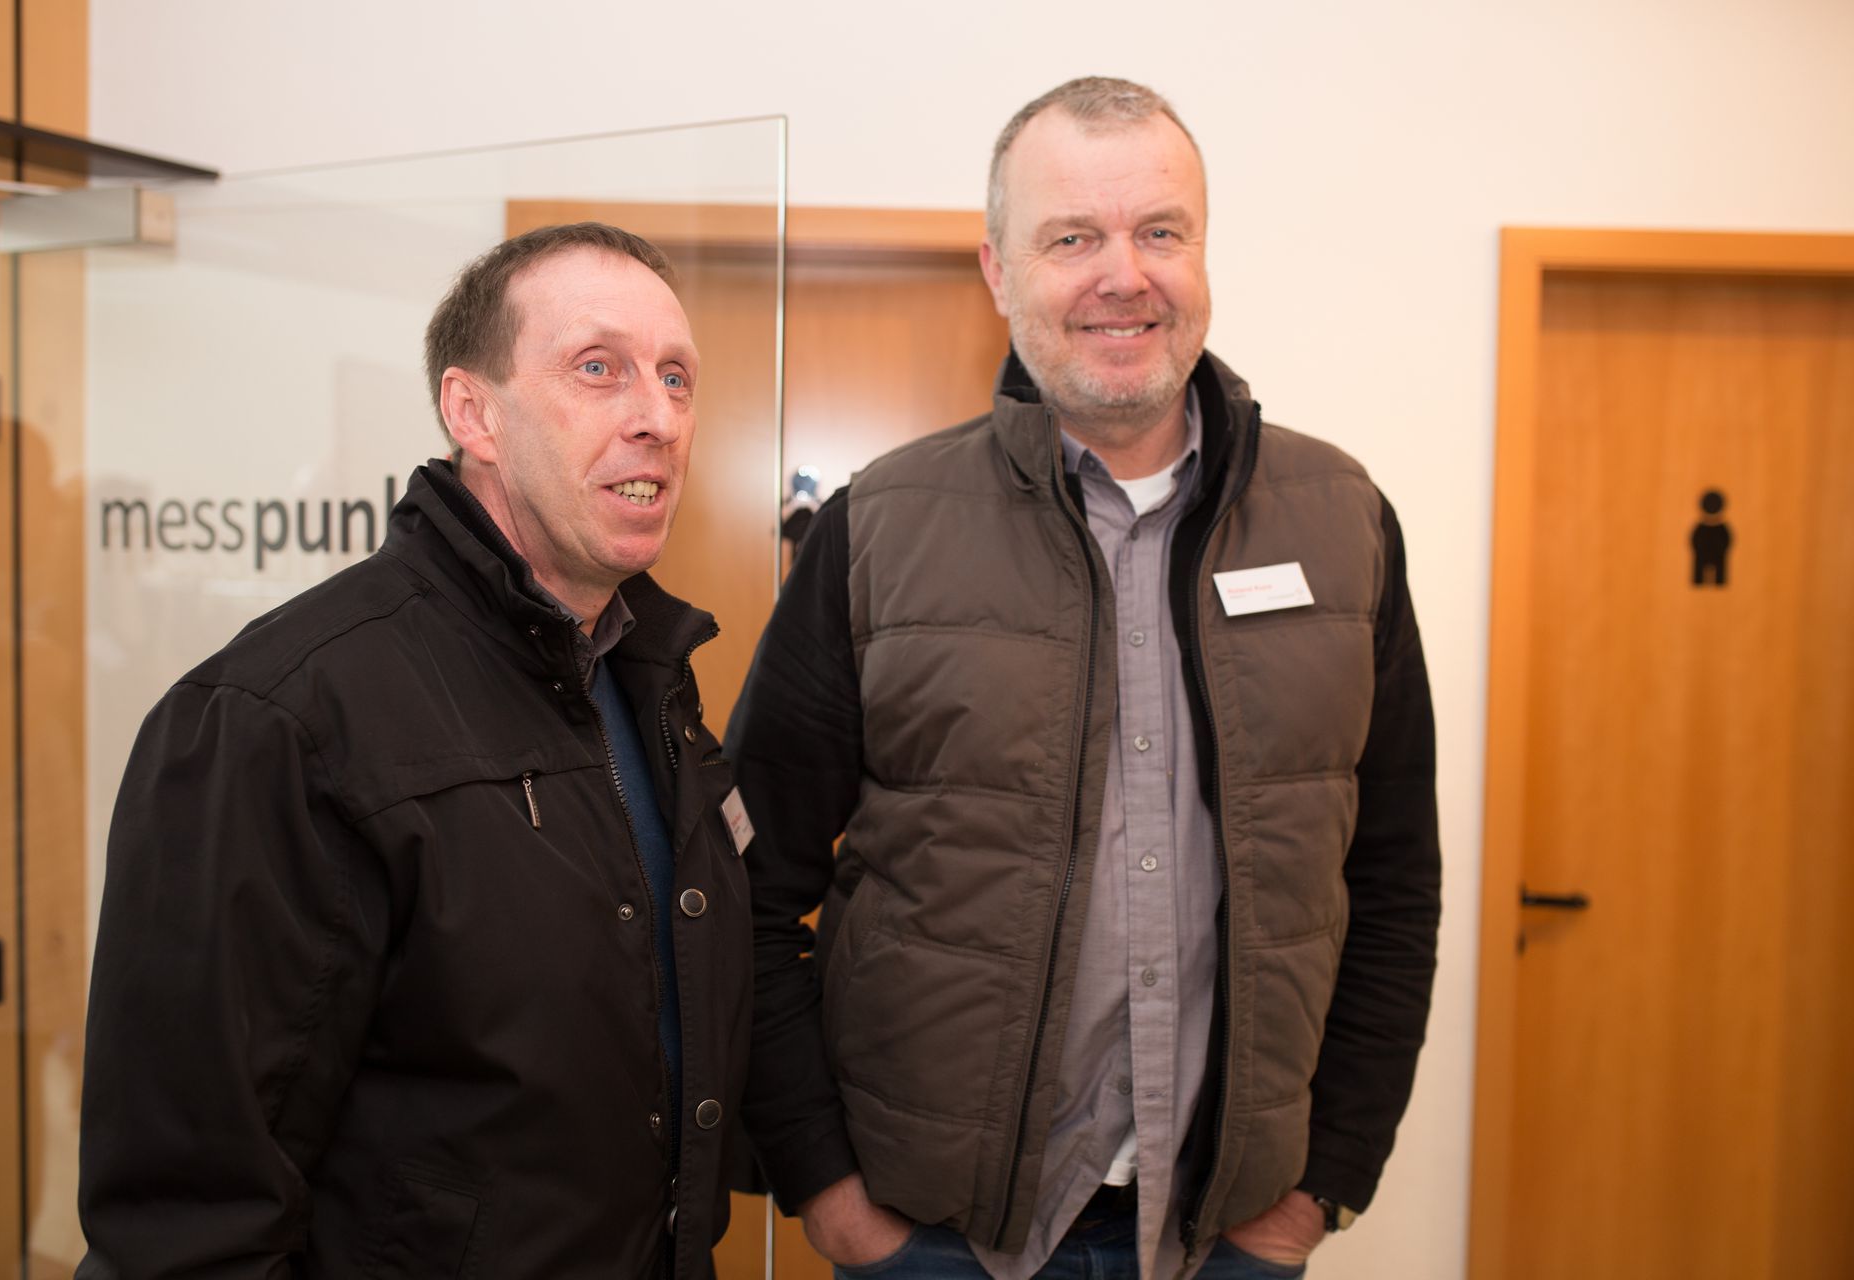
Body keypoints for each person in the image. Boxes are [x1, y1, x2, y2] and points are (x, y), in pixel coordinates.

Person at [727, 78, 1440, 1280]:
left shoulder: (1345, 524)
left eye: (1161, 230)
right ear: (999, 272)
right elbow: (744, 892)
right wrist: (829, 1192)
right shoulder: (878, 531)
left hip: (1225, 1237)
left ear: (1203, 254)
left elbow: (1393, 884)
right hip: (939, 1243)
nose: (1125, 274)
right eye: (1072, 238)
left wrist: (1321, 1187)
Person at [78, 222, 752, 1279]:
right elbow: (188, 1220)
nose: (657, 417)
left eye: (676, 378)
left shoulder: (648, 676)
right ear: (471, 412)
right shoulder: (277, 718)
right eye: (598, 367)